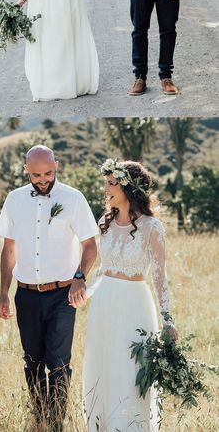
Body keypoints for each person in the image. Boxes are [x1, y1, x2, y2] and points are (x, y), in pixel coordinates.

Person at [0, 145, 98, 429]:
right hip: (26, 295)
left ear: (57, 166)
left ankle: (55, 424)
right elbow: (8, 250)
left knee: (59, 362)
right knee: (32, 361)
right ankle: (39, 417)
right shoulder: (14, 200)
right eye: (36, 175)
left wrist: (80, 276)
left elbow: (90, 245)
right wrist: (4, 292)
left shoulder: (73, 198)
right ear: (26, 170)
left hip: (62, 295)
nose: (43, 180)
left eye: (48, 174)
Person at [83, 159, 178, 432]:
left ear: (129, 187)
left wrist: (168, 319)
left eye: (111, 183)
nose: (106, 189)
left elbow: (160, 277)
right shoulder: (105, 223)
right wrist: (85, 293)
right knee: (103, 367)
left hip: (134, 304)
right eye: (107, 183)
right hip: (104, 303)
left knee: (130, 371)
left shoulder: (152, 227)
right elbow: (103, 269)